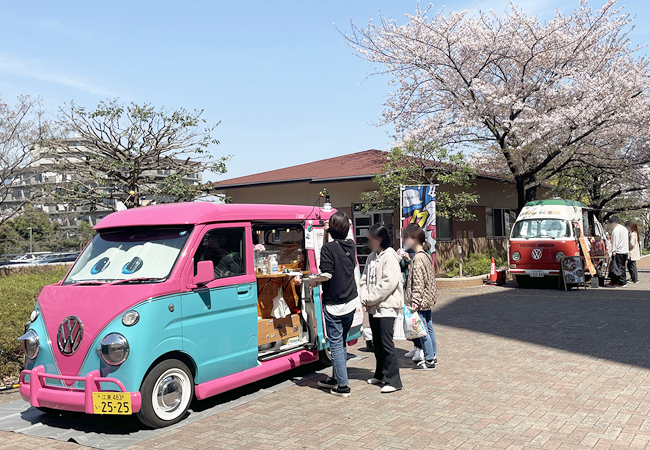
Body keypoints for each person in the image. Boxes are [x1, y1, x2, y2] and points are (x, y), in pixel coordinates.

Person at [309, 211, 359, 397]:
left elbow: (327, 272)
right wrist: (328, 235)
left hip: (334, 304)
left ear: (332, 228)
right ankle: (336, 378)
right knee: (342, 341)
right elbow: (329, 255)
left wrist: (314, 281)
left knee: (336, 344)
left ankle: (343, 386)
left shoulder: (329, 249)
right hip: (350, 300)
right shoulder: (351, 245)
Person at [360, 223, 404, 393]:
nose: (369, 242)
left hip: (386, 307)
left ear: (379, 240)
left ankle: (394, 380)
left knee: (386, 343)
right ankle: (380, 374)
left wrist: (370, 298)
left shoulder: (390, 257)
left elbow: (389, 283)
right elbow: (363, 279)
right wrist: (365, 297)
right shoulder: (372, 257)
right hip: (373, 307)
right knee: (377, 343)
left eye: (371, 239)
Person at [402, 225, 437, 370]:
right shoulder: (426, 255)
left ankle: (429, 359)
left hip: (420, 301)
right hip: (427, 298)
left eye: (407, 238)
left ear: (414, 240)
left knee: (422, 331)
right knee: (429, 328)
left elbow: (418, 282)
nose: (405, 241)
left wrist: (414, 301)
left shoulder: (417, 258)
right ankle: (433, 355)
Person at [608, 216, 629, 287]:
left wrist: (613, 250)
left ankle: (621, 282)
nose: (610, 225)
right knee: (622, 267)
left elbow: (615, 241)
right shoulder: (624, 228)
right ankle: (617, 281)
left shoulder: (616, 230)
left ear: (614, 223)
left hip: (618, 251)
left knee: (617, 268)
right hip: (624, 250)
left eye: (610, 223)